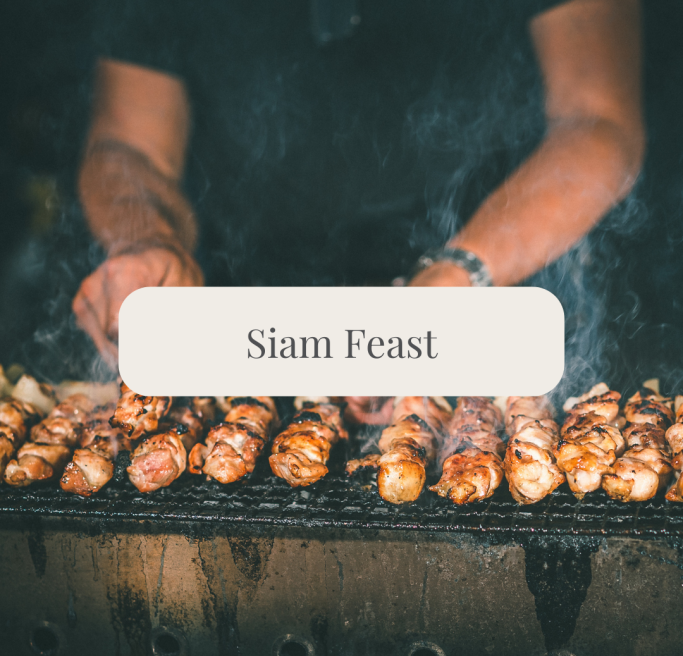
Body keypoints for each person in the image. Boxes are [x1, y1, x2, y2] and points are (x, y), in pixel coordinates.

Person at [72, 0, 643, 421]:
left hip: (493, 302)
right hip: (248, 326)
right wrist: (146, 240)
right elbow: (128, 143)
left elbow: (597, 119)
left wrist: (456, 276)